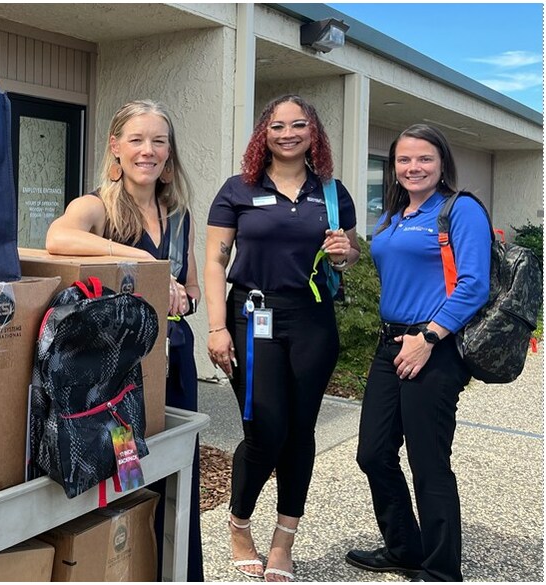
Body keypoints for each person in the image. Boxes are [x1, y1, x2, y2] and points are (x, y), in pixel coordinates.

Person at [203, 94, 360, 582]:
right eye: (277, 126)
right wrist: (215, 327)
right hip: (253, 316)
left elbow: (347, 259)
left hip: (312, 319)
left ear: (314, 134)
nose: (288, 133)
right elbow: (214, 261)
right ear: (262, 135)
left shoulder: (332, 194)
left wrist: (342, 254)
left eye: (299, 125)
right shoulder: (238, 189)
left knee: (301, 431)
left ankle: (283, 540)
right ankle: (239, 523)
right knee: (265, 428)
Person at [44, 99, 203, 581]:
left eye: (159, 140)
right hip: (117, 382)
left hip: (173, 365)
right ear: (116, 147)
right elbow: (57, 237)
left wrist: (184, 301)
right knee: (126, 474)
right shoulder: (97, 205)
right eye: (136, 139)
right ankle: (123, 566)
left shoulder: (178, 215)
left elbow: (192, 289)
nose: (148, 150)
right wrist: (138, 258)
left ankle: (176, 571)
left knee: (178, 474)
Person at [346, 124, 490, 582]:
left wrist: (428, 339)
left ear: (442, 162)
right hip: (390, 344)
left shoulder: (459, 209)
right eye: (404, 159)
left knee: (429, 462)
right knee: (373, 452)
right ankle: (404, 548)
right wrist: (343, 255)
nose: (413, 167)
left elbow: (474, 284)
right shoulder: (393, 216)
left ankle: (441, 568)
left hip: (434, 347)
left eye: (424, 158)